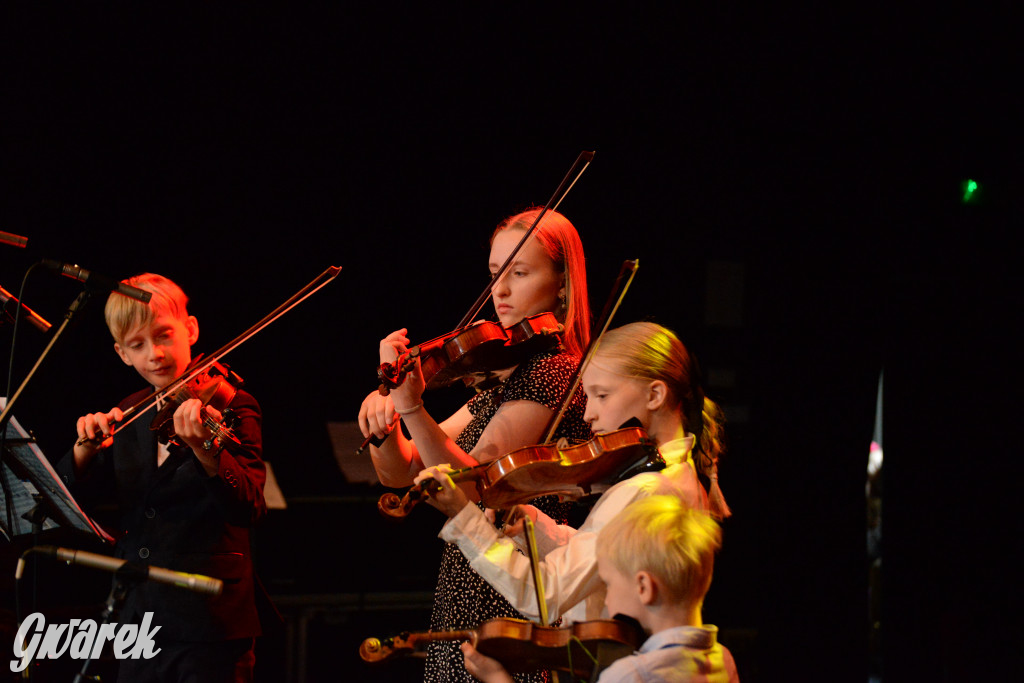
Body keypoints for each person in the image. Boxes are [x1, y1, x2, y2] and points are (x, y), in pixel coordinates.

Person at [358, 207, 592, 682]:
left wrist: (411, 408)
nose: (499, 291)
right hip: (473, 578)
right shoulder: (502, 378)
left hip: (515, 585)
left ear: (562, 283)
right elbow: (403, 472)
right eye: (494, 274)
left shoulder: (555, 372)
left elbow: (473, 483)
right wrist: (386, 424)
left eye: (519, 273)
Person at [415, 322, 731, 626]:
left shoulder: (644, 490)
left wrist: (464, 518)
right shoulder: (680, 476)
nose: (588, 412)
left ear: (655, 395)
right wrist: (529, 522)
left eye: (602, 395)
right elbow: (601, 554)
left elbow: (543, 596)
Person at [56, 273, 266, 683]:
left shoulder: (233, 403)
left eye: (164, 335)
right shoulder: (129, 411)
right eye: (138, 345)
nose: (154, 354)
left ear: (190, 329)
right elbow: (69, 501)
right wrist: (83, 449)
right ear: (122, 354)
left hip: (208, 622)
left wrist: (208, 449)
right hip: (139, 618)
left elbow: (248, 505)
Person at [461, 495, 739, 682]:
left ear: (643, 586)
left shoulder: (629, 674)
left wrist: (499, 679)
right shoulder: (723, 659)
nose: (607, 595)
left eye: (608, 582)